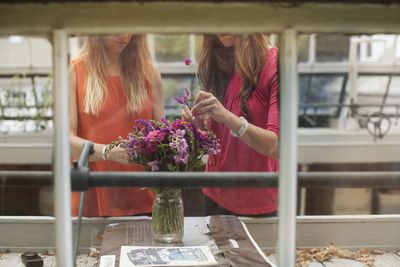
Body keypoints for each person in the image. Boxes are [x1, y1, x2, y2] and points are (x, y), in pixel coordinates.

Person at [181, 34, 279, 216]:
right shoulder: (218, 61)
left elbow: (276, 146)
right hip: (214, 196)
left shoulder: (276, 65)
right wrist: (197, 126)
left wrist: (228, 118)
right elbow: (216, 139)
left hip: (258, 204)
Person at [69, 34, 164, 217]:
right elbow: (66, 141)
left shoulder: (149, 73)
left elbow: (162, 139)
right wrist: (108, 152)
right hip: (94, 195)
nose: (124, 35)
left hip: (144, 197)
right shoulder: (75, 71)